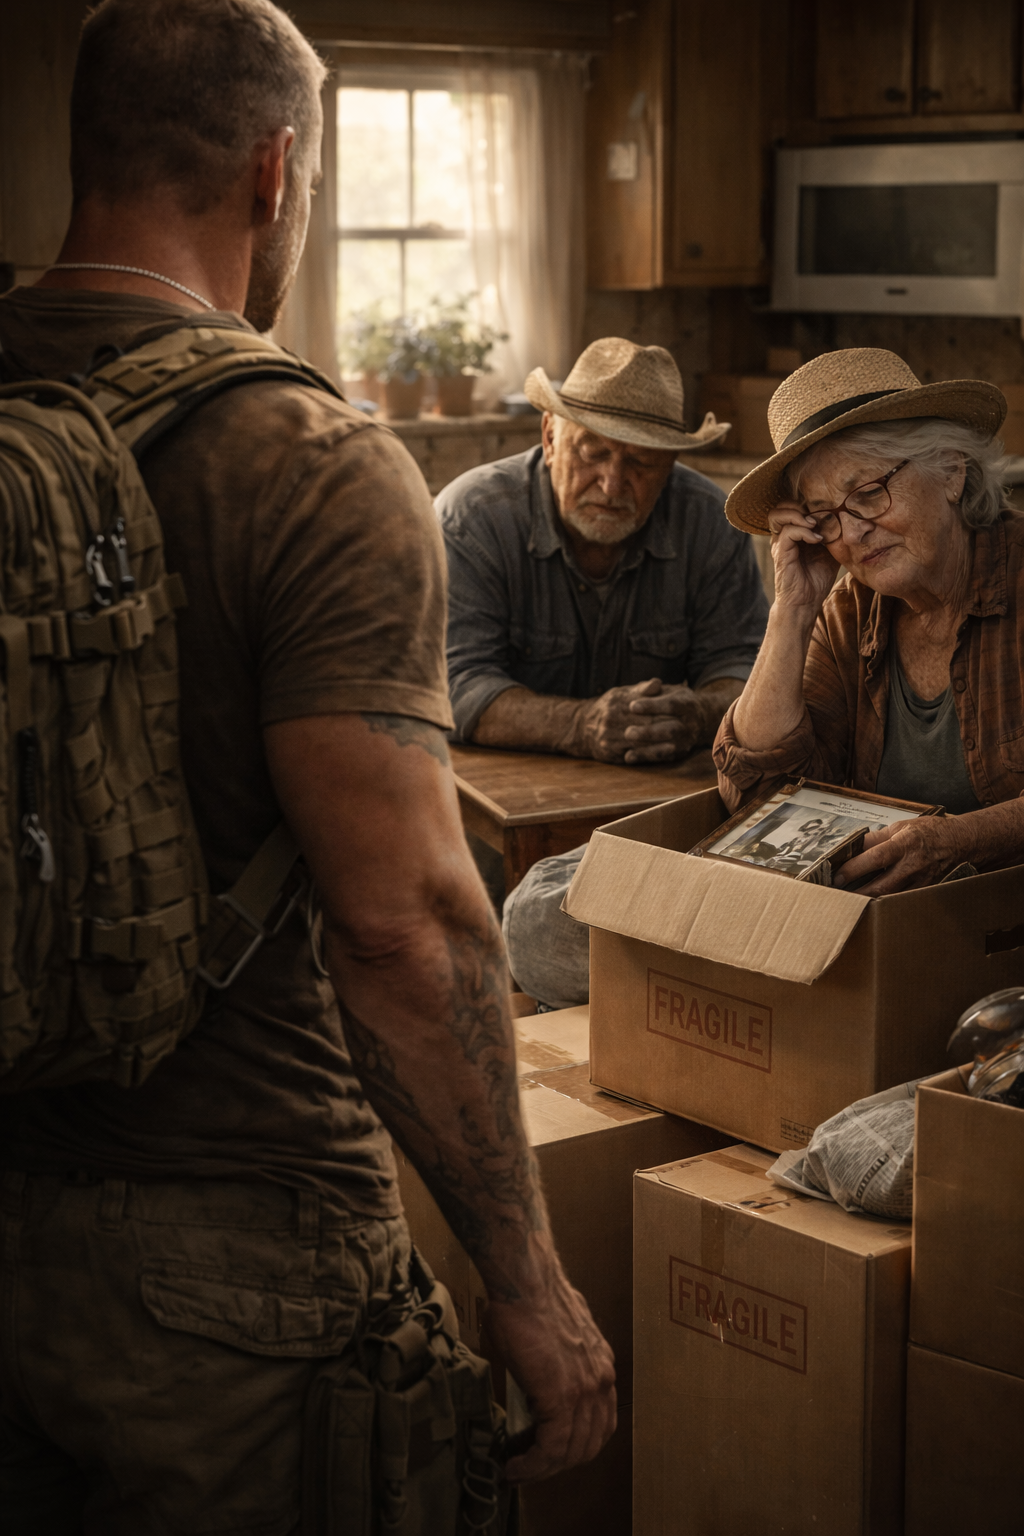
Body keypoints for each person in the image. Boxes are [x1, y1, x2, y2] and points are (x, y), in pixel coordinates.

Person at [0, 3, 614, 1529]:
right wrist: (528, 1287)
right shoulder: (309, 459)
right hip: (233, 1266)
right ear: (278, 171)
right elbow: (404, 924)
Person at [713, 346, 1024, 895]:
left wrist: (963, 839)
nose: (851, 533)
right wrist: (792, 608)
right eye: (825, 517)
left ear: (951, 470)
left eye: (869, 494)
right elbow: (759, 794)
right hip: (897, 927)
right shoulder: (848, 613)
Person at [438, 337, 769, 764]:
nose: (612, 484)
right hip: (500, 799)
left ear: (671, 465)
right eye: (592, 451)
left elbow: (746, 670)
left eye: (642, 463)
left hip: (648, 793)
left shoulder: (711, 523)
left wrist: (699, 712)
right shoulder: (471, 520)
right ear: (550, 437)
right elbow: (454, 686)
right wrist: (579, 725)